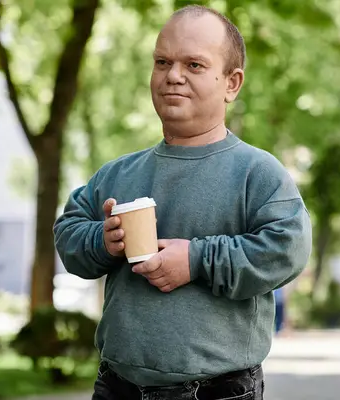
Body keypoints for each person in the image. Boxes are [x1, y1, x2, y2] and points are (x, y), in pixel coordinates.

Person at [53, 5, 312, 400]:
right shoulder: (117, 174)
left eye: (193, 65)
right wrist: (103, 241)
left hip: (217, 391)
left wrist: (196, 260)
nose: (173, 76)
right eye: (162, 62)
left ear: (231, 83)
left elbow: (288, 248)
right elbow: (68, 231)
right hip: (116, 387)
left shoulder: (257, 172)